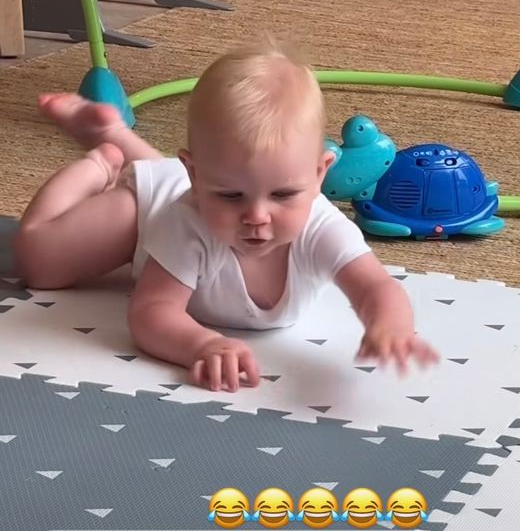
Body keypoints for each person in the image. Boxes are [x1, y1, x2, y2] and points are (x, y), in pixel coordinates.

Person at [15, 40, 439, 392]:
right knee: (42, 263)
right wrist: (202, 345)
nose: (257, 216)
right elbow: (151, 312)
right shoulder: (188, 221)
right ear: (196, 176)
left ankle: (117, 135)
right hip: (148, 206)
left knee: (218, 183)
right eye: (233, 196)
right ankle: (102, 160)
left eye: (283, 194)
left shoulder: (321, 226)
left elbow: (374, 287)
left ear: (319, 175)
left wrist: (391, 327)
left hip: (191, 179)